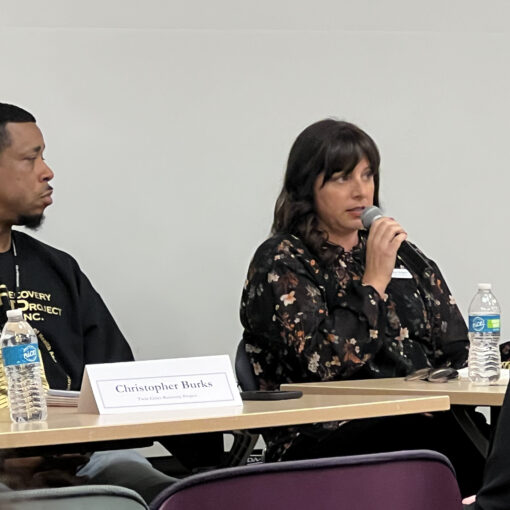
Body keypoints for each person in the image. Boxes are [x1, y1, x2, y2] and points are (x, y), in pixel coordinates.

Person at [240, 118, 486, 496]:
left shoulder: (398, 253)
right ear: (308, 187)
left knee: (492, 442)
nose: (360, 191)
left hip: (418, 421)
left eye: (368, 175)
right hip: (323, 436)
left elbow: (454, 347)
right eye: (342, 178)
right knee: (433, 441)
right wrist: (372, 282)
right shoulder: (283, 261)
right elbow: (325, 363)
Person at [0, 102, 175, 503]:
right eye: (31, 158)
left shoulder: (58, 268)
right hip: (4, 465)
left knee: (173, 497)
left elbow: (118, 380)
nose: (48, 171)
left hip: (85, 456)